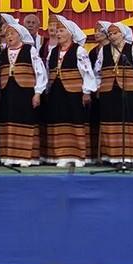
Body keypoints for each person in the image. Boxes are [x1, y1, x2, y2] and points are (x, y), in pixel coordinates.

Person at [94, 22, 133, 165]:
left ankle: (128, 156)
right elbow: (97, 72)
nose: (112, 36)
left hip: (129, 91)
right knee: (111, 123)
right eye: (110, 34)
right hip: (109, 92)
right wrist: (97, 87)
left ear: (123, 34)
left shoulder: (132, 50)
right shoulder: (104, 50)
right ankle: (112, 157)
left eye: (115, 33)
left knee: (129, 122)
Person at [44, 16, 96, 168]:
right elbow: (48, 72)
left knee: (75, 121)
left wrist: (87, 91)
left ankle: (79, 156)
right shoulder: (53, 52)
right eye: (57, 31)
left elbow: (87, 72)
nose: (58, 34)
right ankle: (62, 155)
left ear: (70, 33)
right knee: (59, 121)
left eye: (61, 31)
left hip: (74, 92)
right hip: (57, 91)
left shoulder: (79, 51)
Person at [0, 22, 48, 167]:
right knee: (8, 122)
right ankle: (9, 156)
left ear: (20, 35)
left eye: (12, 34)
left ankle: (26, 157)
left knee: (25, 121)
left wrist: (38, 92)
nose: (9, 37)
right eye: (7, 34)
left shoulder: (29, 50)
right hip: (8, 92)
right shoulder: (2, 53)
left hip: (25, 92)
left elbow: (40, 72)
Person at [88, 21, 111, 163]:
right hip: (96, 91)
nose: (96, 33)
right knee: (96, 121)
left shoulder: (114, 50)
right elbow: (92, 73)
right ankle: (98, 154)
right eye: (95, 31)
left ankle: (111, 153)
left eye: (99, 31)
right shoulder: (93, 52)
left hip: (111, 90)